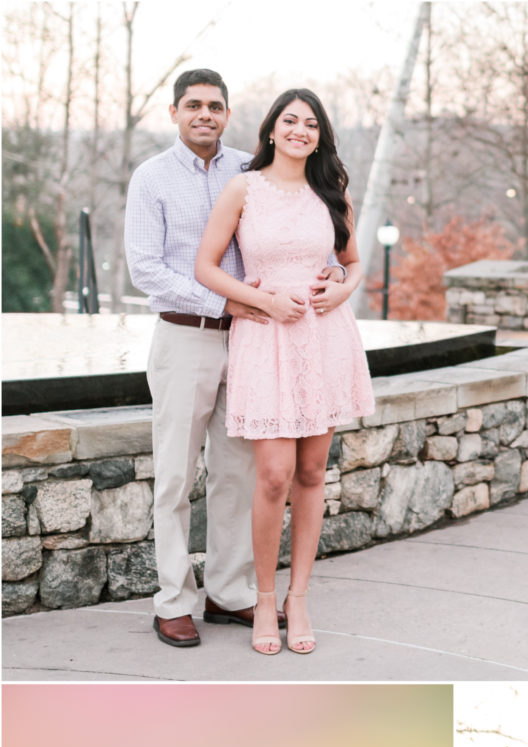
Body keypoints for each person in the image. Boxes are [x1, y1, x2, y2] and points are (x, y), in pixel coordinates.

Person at [124, 67, 346, 649]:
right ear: (174, 112)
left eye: (215, 106)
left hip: (257, 344)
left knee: (238, 472)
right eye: (193, 105)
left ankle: (229, 591)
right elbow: (147, 268)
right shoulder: (151, 178)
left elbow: (320, 241)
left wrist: (331, 280)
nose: (205, 114)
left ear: (229, 114)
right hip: (188, 336)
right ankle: (173, 600)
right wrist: (229, 303)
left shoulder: (251, 168)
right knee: (175, 474)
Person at [195, 88, 374, 656]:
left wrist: (341, 292)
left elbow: (352, 262)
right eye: (290, 120)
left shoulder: (331, 191)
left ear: (320, 135)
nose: (301, 130)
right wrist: (264, 301)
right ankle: (264, 598)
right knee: (274, 474)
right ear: (272, 129)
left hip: (324, 337)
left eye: (312, 123)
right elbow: (205, 267)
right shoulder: (243, 188)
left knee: (314, 471)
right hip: (267, 333)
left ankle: (298, 598)